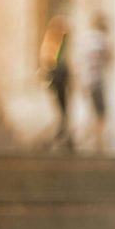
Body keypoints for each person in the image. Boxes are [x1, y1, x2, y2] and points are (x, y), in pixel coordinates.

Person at [77, 11, 112, 153]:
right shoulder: (99, 39)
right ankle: (98, 143)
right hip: (96, 81)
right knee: (100, 114)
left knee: (90, 112)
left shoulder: (85, 39)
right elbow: (107, 57)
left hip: (85, 80)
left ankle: (91, 142)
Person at [38, 14, 72, 151]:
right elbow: (48, 62)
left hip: (61, 78)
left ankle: (63, 135)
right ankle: (59, 135)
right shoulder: (52, 43)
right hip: (57, 78)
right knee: (60, 110)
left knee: (63, 110)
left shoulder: (62, 44)